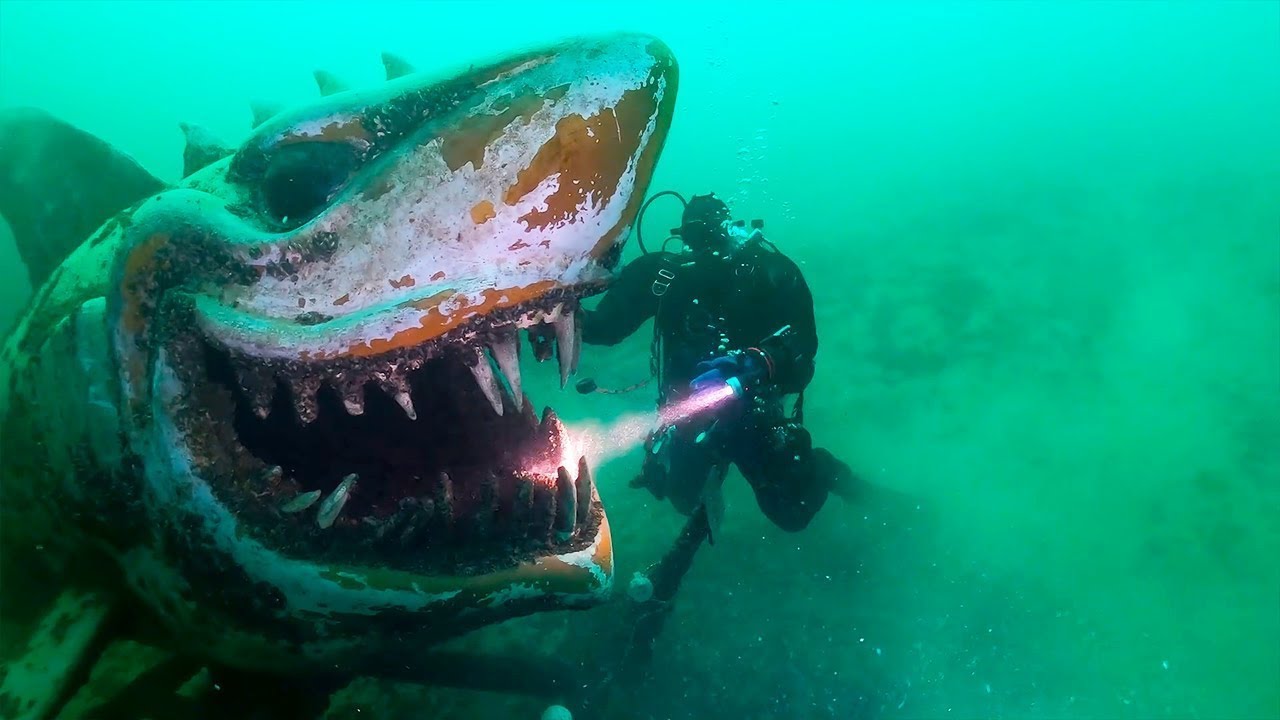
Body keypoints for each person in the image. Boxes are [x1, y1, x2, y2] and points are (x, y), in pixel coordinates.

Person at [579, 192, 864, 532]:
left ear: (730, 230)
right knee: (683, 498)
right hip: (687, 412)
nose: (708, 247)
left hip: (751, 410)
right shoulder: (664, 275)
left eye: (712, 233)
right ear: (683, 238)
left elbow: (804, 348)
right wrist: (553, 314)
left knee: (792, 512)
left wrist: (760, 362)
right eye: (698, 235)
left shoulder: (768, 271)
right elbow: (604, 328)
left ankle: (826, 470)